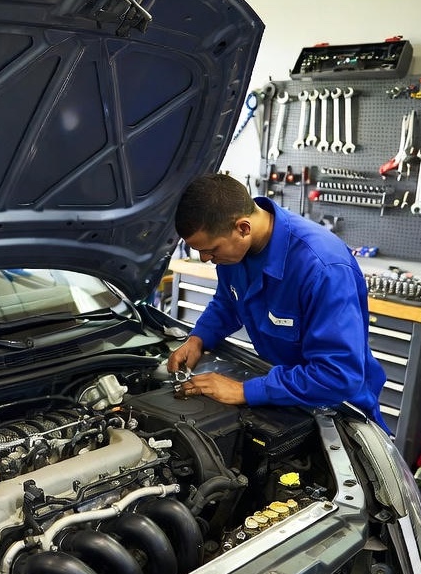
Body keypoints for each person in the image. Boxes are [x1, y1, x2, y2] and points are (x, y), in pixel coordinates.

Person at [166, 173, 388, 428]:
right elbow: (228, 301)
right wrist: (198, 338)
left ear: (243, 228)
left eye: (210, 250)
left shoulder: (322, 268)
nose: (205, 258)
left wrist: (244, 391)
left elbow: (337, 376)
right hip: (284, 394)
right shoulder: (234, 252)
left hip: (339, 414)